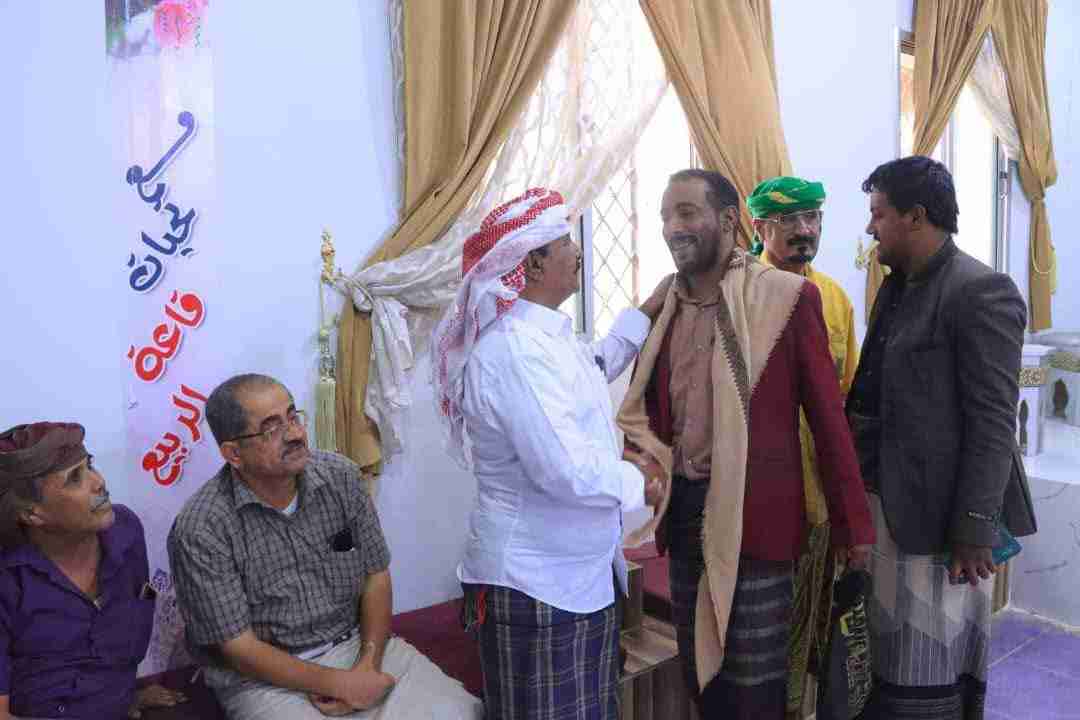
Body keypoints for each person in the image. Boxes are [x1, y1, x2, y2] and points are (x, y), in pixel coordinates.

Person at [617, 169, 874, 719]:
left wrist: (852, 526)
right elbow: (652, 415)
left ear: (729, 220)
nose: (672, 227)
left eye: (687, 212)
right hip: (685, 514)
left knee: (754, 683)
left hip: (757, 519)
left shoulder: (785, 298)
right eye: (666, 216)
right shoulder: (663, 307)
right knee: (700, 674)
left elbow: (828, 420)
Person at [430, 187, 664, 720]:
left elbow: (593, 367)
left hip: (572, 578)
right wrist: (642, 483)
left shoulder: (547, 339)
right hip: (536, 585)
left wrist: (644, 313)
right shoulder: (515, 350)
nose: (578, 251)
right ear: (533, 263)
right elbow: (564, 471)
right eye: (566, 242)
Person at [168, 374, 481, 720]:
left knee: (462, 712)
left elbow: (375, 576)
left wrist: (367, 665)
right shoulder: (202, 528)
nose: (294, 434)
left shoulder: (341, 477)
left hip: (356, 644)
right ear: (233, 454)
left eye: (292, 417)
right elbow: (237, 648)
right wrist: (340, 684)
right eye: (271, 428)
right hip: (263, 678)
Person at [849, 156, 1036, 719]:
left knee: (929, 665)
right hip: (888, 503)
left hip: (942, 519)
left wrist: (975, 526)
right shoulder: (896, 287)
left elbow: (994, 420)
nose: (870, 227)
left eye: (879, 214)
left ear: (916, 216)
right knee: (888, 661)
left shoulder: (980, 290)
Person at [747, 175, 860, 715]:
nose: (804, 230)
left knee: (811, 622)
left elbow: (845, 396)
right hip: (757, 497)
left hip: (817, 495)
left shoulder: (833, 298)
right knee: (758, 632)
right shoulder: (739, 293)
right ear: (759, 227)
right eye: (788, 220)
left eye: (812, 217)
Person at [0, 421, 185, 720]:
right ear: (32, 513)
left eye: (90, 465)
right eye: (75, 478)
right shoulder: (9, 579)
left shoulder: (125, 530)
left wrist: (122, 697)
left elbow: (134, 618)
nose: (99, 482)